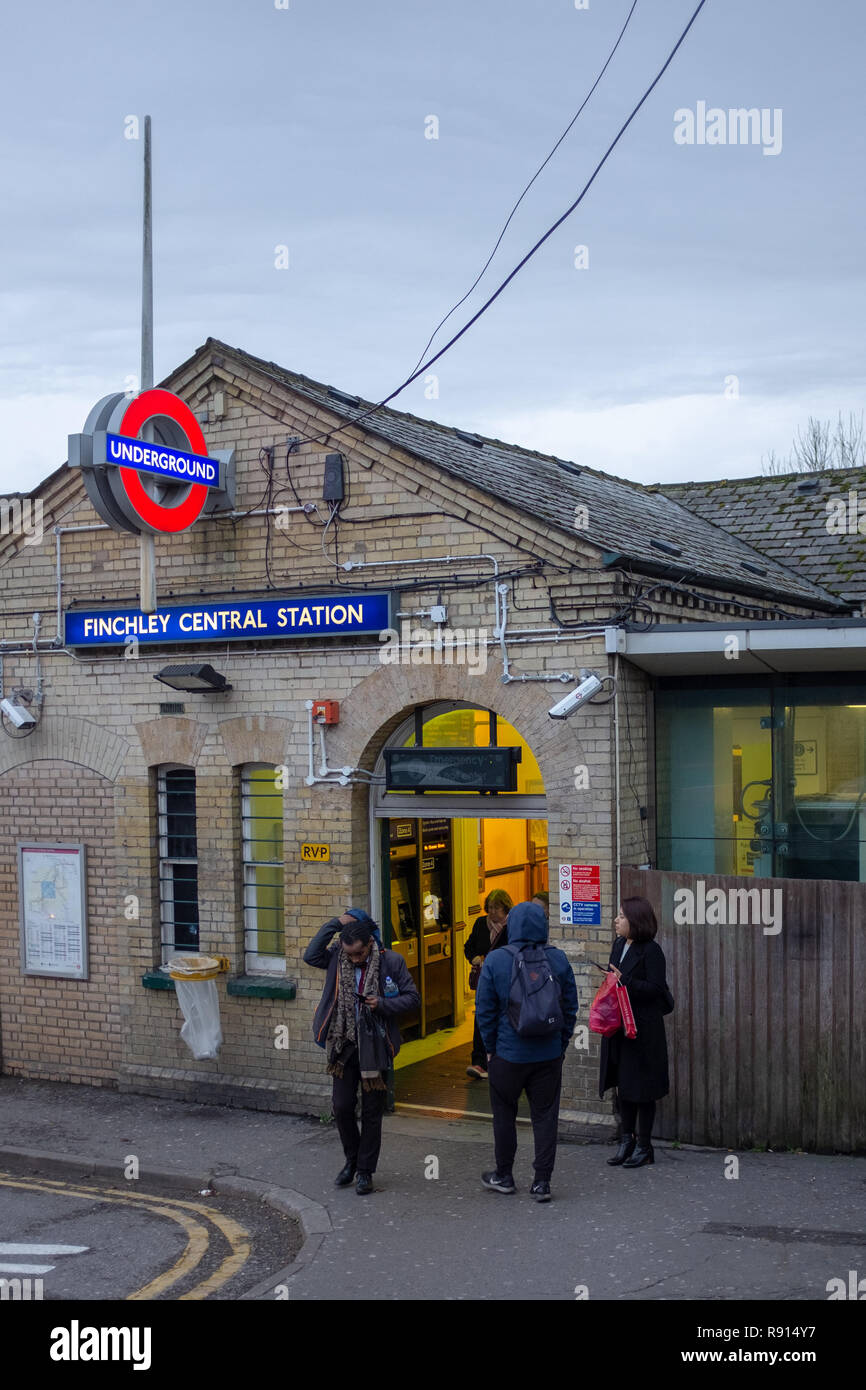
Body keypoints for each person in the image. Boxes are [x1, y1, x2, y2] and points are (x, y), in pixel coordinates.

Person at [304, 907, 420, 1194]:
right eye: (350, 954)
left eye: (359, 954)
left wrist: (381, 1004)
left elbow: (412, 998)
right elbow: (310, 955)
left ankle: (365, 1171)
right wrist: (334, 924)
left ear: (370, 944)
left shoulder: (391, 962)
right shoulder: (336, 959)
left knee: (371, 1113)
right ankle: (352, 1161)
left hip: (375, 1047)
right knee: (342, 1107)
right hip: (343, 1044)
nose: (354, 959)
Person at [475, 899, 578, 1201]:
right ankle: (541, 1182)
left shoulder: (495, 961)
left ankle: (504, 1175)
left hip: (507, 1056)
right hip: (546, 1056)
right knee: (545, 1117)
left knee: (504, 1115)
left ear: (512, 925)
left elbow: (485, 1011)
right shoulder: (557, 960)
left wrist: (491, 1049)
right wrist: (560, 1044)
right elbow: (570, 1007)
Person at [599, 896, 671, 1169]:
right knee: (624, 1086)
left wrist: (624, 981)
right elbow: (612, 979)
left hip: (643, 1029)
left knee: (644, 1089)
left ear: (636, 921)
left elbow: (656, 989)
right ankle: (625, 1141)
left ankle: (644, 1146)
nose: (616, 921)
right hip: (619, 1026)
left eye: (621, 916)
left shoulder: (651, 951)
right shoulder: (618, 945)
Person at [464, 889, 512, 1079]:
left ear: (505, 907)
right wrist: (474, 957)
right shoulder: (480, 924)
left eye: (496, 908)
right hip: (485, 981)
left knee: (503, 1018)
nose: (492, 912)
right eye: (489, 908)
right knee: (481, 1017)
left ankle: (500, 1059)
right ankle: (479, 1061)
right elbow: (469, 946)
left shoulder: (512, 926)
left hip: (505, 981)